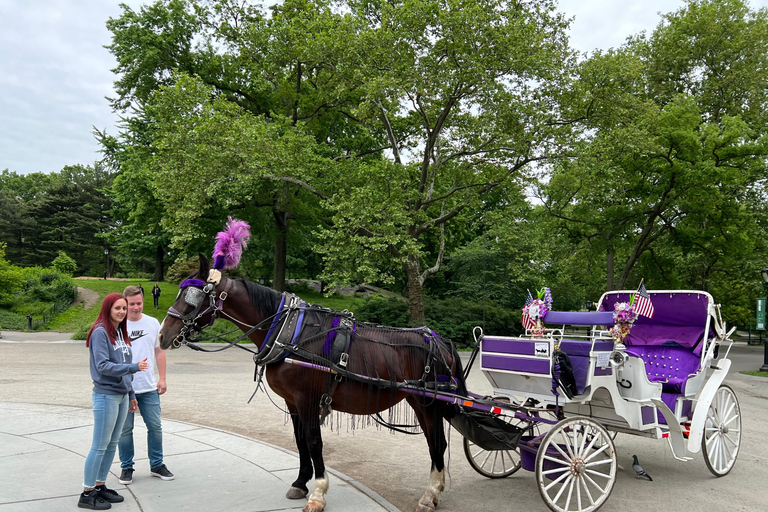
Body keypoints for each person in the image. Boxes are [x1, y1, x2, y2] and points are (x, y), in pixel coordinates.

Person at [79, 293, 148, 510]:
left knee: (111, 444)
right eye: (118, 308)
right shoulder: (100, 332)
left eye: (124, 308)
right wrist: (134, 367)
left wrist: (131, 393)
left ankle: (100, 486)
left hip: (120, 395)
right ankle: (87, 492)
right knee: (99, 445)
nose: (122, 312)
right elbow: (103, 366)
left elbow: (123, 366)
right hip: (105, 395)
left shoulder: (119, 332)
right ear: (108, 308)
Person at [118, 285, 174, 485]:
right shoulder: (118, 325)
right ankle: (126, 467)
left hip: (149, 386)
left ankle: (157, 464)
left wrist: (163, 378)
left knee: (155, 426)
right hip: (124, 388)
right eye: (131, 304)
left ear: (143, 302)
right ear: (125, 304)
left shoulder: (152, 323)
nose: (135, 308)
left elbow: (159, 351)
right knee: (125, 430)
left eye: (138, 303)